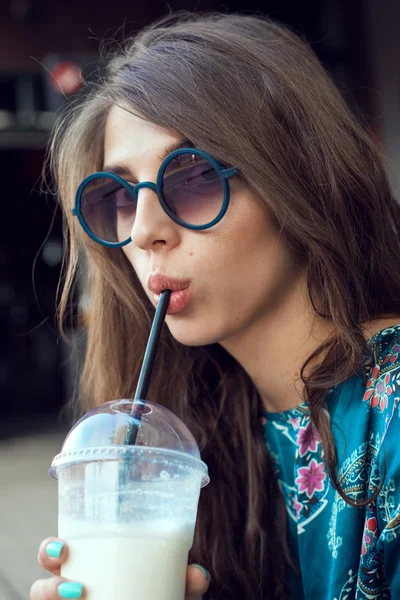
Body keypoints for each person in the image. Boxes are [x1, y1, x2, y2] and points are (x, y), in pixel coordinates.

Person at [30, 10, 400, 600]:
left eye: (195, 175)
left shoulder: (392, 418)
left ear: (295, 178)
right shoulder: (206, 427)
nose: (144, 230)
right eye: (119, 195)